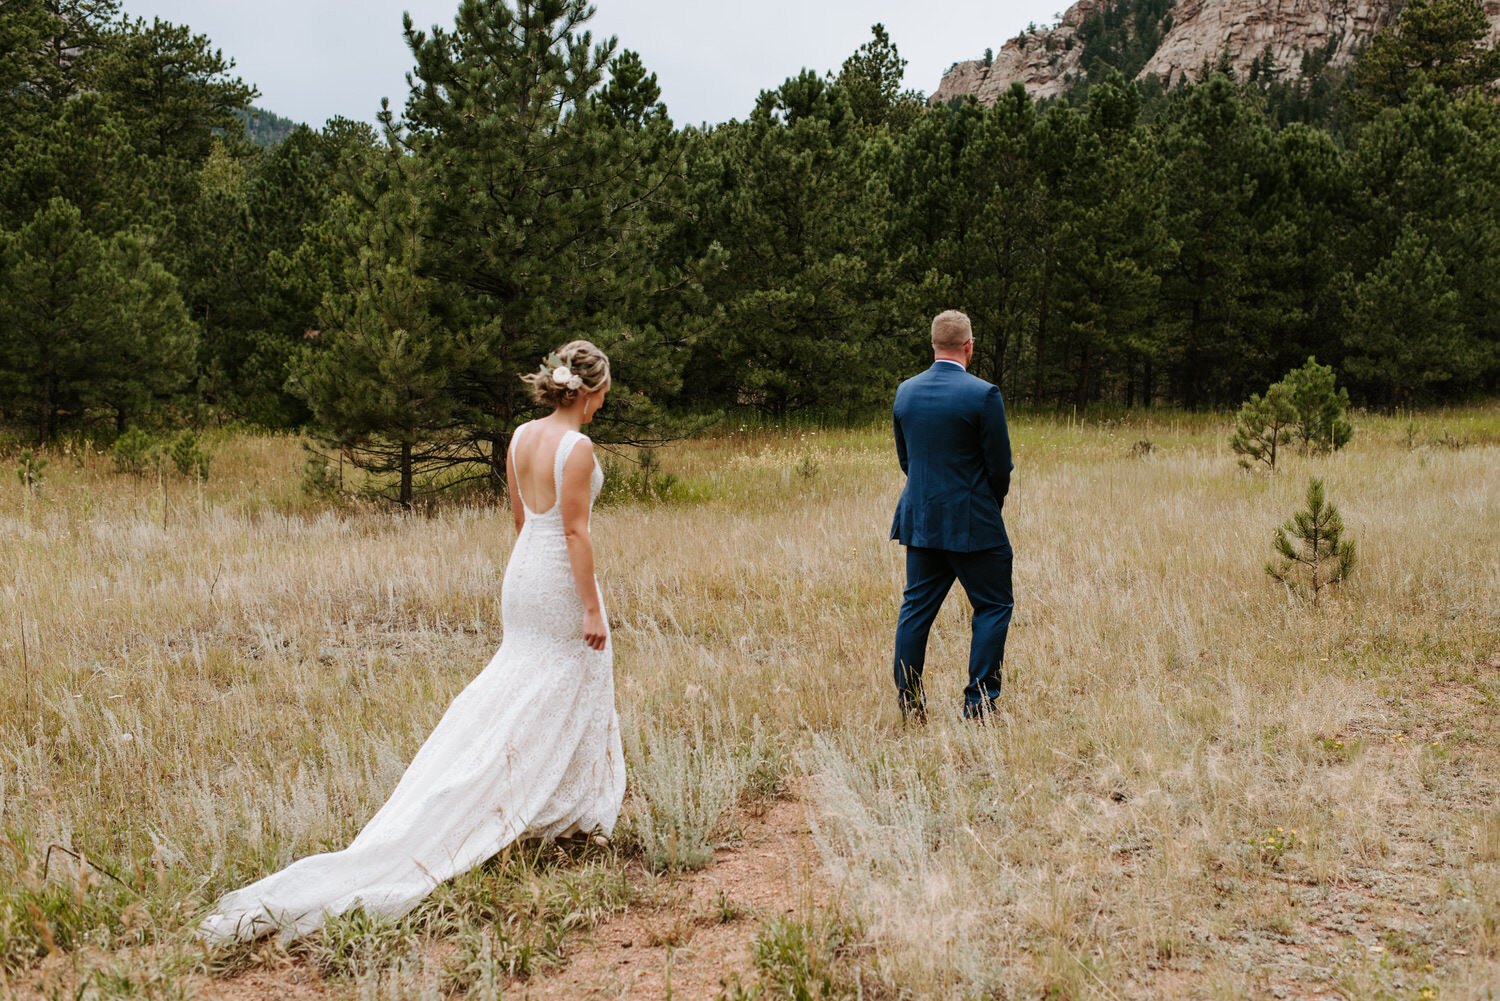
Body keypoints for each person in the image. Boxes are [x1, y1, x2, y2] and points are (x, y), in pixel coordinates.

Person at [200, 340, 624, 943]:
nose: (607, 401)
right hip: (558, 576)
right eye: (607, 391)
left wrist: (535, 572)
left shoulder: (523, 437)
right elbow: (576, 533)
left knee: (522, 681)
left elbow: (520, 520)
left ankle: (550, 805)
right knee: (565, 679)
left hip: (522, 570)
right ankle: (554, 809)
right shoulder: (577, 447)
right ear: (592, 390)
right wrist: (589, 607)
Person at [889, 310, 1014, 722]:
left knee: (916, 611)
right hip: (973, 524)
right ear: (969, 346)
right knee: (993, 606)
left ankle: (910, 703)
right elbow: (999, 467)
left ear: (932, 345)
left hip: (922, 520)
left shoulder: (905, 391)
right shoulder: (983, 394)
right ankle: (979, 706)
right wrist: (986, 505)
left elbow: (907, 460)